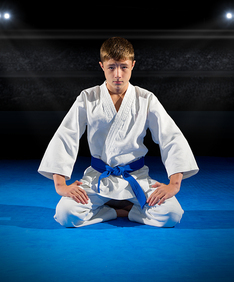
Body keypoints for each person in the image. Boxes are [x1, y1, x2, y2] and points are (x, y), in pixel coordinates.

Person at [38, 37, 199, 228]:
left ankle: (121, 209)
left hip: (136, 177)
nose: (117, 74)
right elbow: (66, 136)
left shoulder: (145, 98)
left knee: (172, 214)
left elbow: (171, 137)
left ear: (132, 65)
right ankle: (119, 211)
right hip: (97, 177)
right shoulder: (88, 97)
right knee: (66, 214)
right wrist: (60, 185)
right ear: (102, 66)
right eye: (111, 67)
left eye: (123, 67)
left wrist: (174, 184)